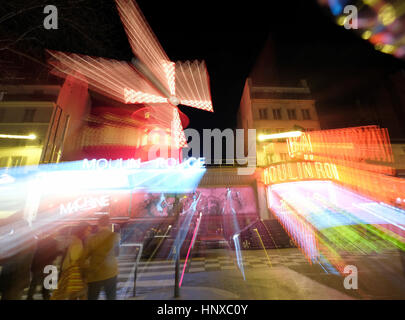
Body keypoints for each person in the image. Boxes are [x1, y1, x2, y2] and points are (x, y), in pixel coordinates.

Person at [51, 222, 91, 300]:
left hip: (72, 272)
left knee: (74, 294)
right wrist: (86, 260)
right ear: (83, 230)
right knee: (79, 294)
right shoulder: (77, 241)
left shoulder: (75, 240)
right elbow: (75, 257)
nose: (89, 232)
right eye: (88, 230)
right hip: (75, 272)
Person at [83, 215, 120, 300]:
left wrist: (84, 273)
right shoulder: (115, 236)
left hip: (95, 273)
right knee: (111, 297)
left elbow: (84, 256)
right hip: (111, 272)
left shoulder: (91, 239)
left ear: (98, 224)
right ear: (108, 224)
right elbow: (117, 253)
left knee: (92, 297)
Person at [27, 234, 61, 300]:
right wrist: (59, 252)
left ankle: (30, 297)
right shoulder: (54, 242)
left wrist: (32, 267)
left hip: (38, 265)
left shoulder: (40, 241)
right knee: (46, 285)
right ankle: (46, 297)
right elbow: (53, 256)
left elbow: (35, 254)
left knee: (34, 284)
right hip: (47, 265)